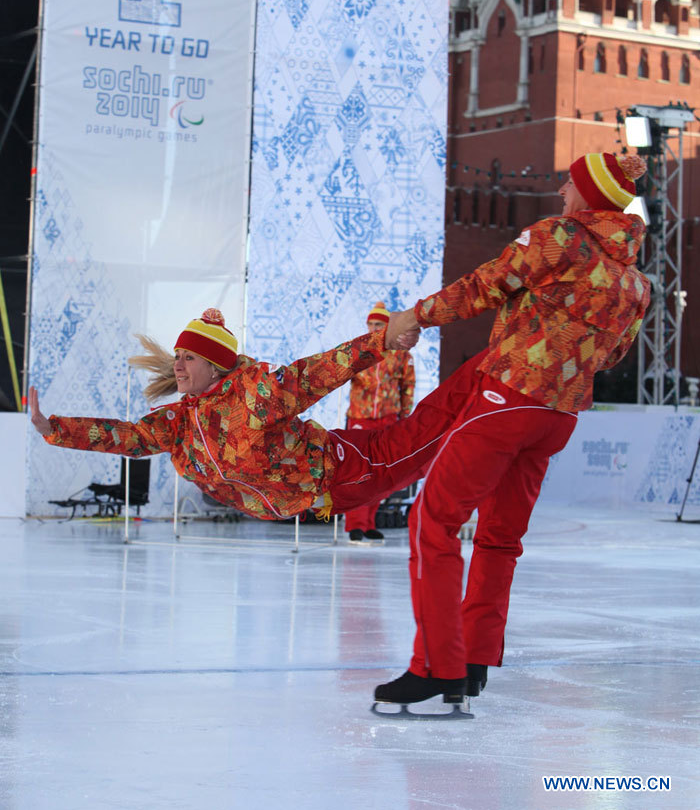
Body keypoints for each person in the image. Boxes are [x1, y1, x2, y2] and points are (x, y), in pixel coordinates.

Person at [367, 151, 651, 710]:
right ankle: (474, 660)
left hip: (508, 398)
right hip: (559, 415)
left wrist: (414, 316)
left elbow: (486, 285)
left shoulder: (560, 237)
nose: (562, 195)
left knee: (435, 518)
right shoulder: (635, 284)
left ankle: (436, 666)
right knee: (499, 535)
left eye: (570, 186)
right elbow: (614, 355)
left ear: (590, 197)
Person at [28, 308, 427, 522]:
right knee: (438, 442)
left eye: (189, 358)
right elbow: (128, 436)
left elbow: (321, 371)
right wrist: (55, 429)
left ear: (216, 367)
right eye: (178, 356)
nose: (178, 366)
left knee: (438, 436)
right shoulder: (180, 422)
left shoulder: (255, 394)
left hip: (342, 469)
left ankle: (485, 405)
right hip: (313, 501)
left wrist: (384, 340)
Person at [343, 301, 415, 543]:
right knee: (359, 473)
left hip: (388, 417)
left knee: (382, 473)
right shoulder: (358, 349)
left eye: (378, 324)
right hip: (360, 417)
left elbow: (408, 386)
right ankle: (355, 524)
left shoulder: (401, 354)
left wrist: (404, 417)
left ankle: (369, 522)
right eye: (370, 323)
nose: (373, 328)